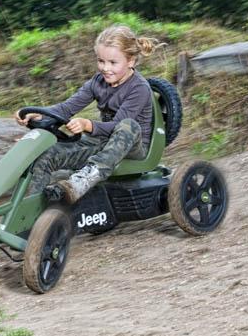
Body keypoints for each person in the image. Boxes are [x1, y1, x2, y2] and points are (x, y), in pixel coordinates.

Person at [15, 25, 163, 204]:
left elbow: (117, 125)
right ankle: (28, 211)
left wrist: (88, 125)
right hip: (102, 143)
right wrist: (40, 115)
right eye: (101, 61)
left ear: (131, 61)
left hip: (133, 147)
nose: (105, 68)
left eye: (113, 62)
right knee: (46, 156)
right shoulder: (97, 82)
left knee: (127, 125)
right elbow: (66, 108)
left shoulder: (139, 88)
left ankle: (86, 178)